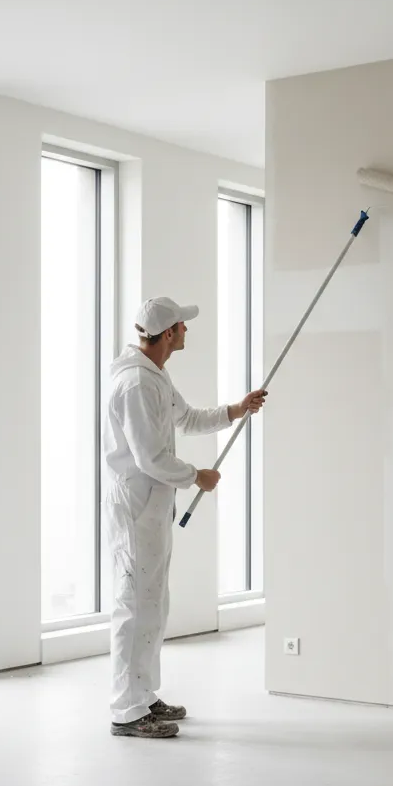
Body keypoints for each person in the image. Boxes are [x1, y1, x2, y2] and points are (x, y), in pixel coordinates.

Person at [103, 296, 267, 739]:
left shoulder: (154, 374)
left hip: (153, 503)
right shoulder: (136, 384)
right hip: (137, 505)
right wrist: (198, 476)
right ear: (169, 332)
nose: (187, 331)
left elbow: (188, 419)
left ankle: (144, 695)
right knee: (136, 605)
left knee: (153, 602)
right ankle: (127, 711)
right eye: (183, 325)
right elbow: (149, 456)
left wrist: (238, 409)